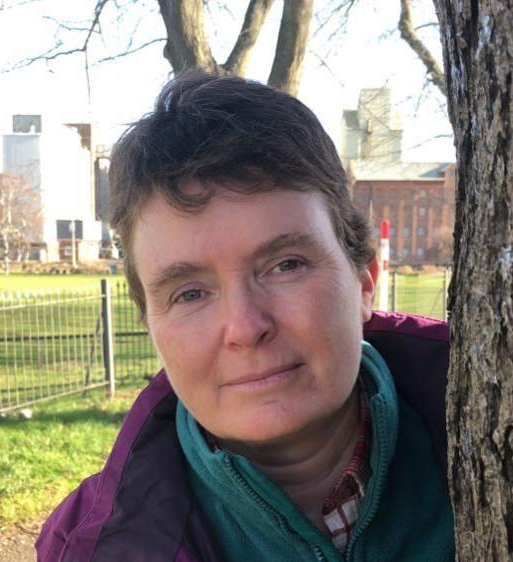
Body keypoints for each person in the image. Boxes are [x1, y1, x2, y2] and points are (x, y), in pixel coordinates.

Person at [36, 71, 455, 561]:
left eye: (286, 265)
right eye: (190, 294)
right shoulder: (90, 547)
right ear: (151, 322)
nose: (245, 328)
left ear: (365, 279)